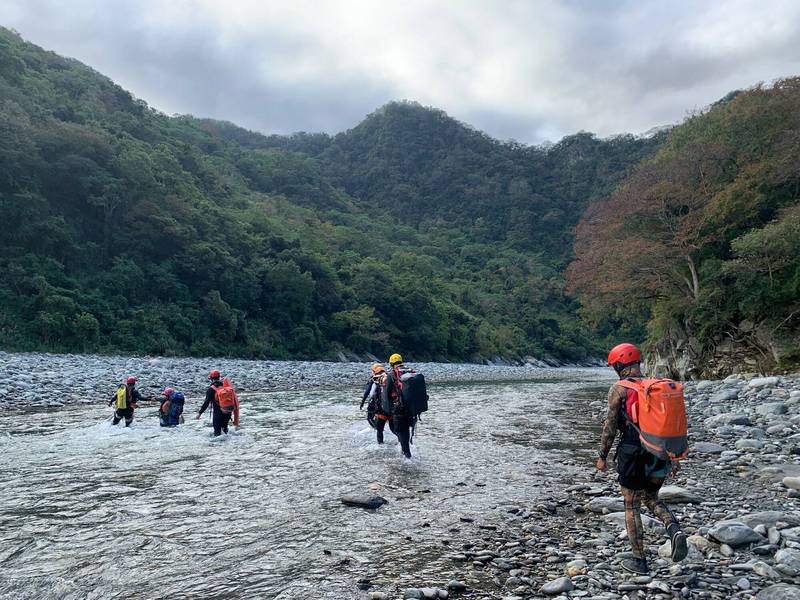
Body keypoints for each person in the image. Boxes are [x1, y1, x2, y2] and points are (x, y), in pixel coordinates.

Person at [595, 343, 688, 574]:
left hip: (632, 453)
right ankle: (674, 529)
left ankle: (640, 560)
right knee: (651, 497)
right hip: (660, 452)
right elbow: (668, 425)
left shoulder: (619, 389)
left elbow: (610, 427)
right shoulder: (654, 387)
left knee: (631, 505)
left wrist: (602, 456)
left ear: (619, 365)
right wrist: (673, 457)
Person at [380, 354, 416, 459]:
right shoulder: (411, 372)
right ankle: (405, 452)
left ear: (391, 364)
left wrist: (388, 410)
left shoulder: (392, 375)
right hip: (412, 409)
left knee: (401, 431)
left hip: (399, 409)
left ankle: (407, 457)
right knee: (406, 432)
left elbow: (386, 395)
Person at [196, 370, 240, 436]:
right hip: (227, 412)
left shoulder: (211, 389)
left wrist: (199, 413)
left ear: (211, 379)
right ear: (219, 377)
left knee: (217, 433)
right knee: (225, 430)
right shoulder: (226, 387)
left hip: (218, 414)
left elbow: (206, 403)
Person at [360, 363, 390, 443]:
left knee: (370, 417)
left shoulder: (375, 378)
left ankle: (377, 428)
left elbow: (368, 392)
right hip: (390, 404)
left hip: (377, 403)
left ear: (374, 371)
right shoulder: (388, 377)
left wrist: (362, 403)